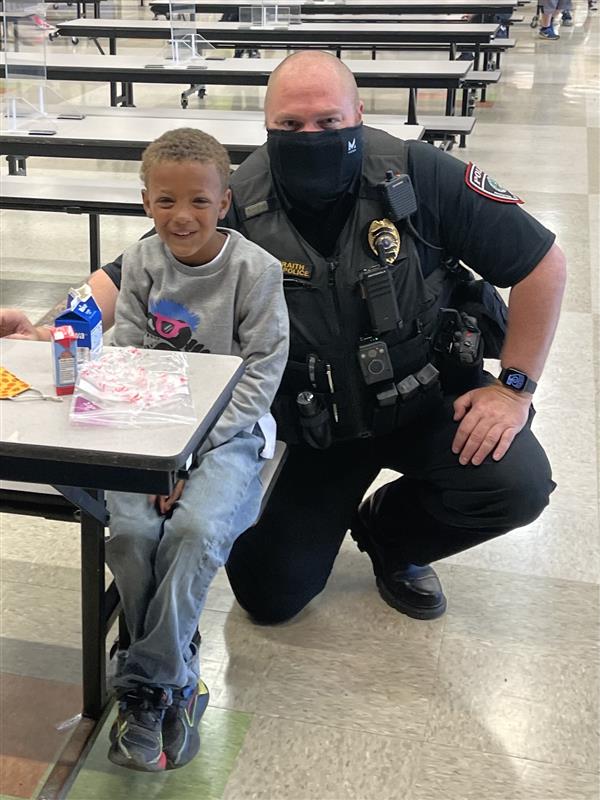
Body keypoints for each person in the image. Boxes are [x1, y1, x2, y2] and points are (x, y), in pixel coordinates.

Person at [1, 51, 566, 629]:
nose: (310, 137)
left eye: (328, 122)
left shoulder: (420, 175)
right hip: (317, 427)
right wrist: (52, 329)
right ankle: (326, 519)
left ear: (359, 113)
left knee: (514, 484)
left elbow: (542, 263)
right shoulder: (235, 197)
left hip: (426, 396)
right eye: (290, 126)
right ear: (268, 126)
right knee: (267, 594)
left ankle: (393, 537)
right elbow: (131, 274)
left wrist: (512, 389)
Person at [101, 127, 288, 772]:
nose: (183, 216)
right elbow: (126, 355)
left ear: (225, 203)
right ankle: (177, 674)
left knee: (196, 531)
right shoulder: (141, 262)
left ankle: (145, 684)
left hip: (227, 435)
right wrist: (158, 449)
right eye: (166, 201)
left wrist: (187, 454)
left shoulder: (255, 272)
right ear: (146, 200)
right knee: (129, 533)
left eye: (199, 202)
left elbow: (262, 375)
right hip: (148, 430)